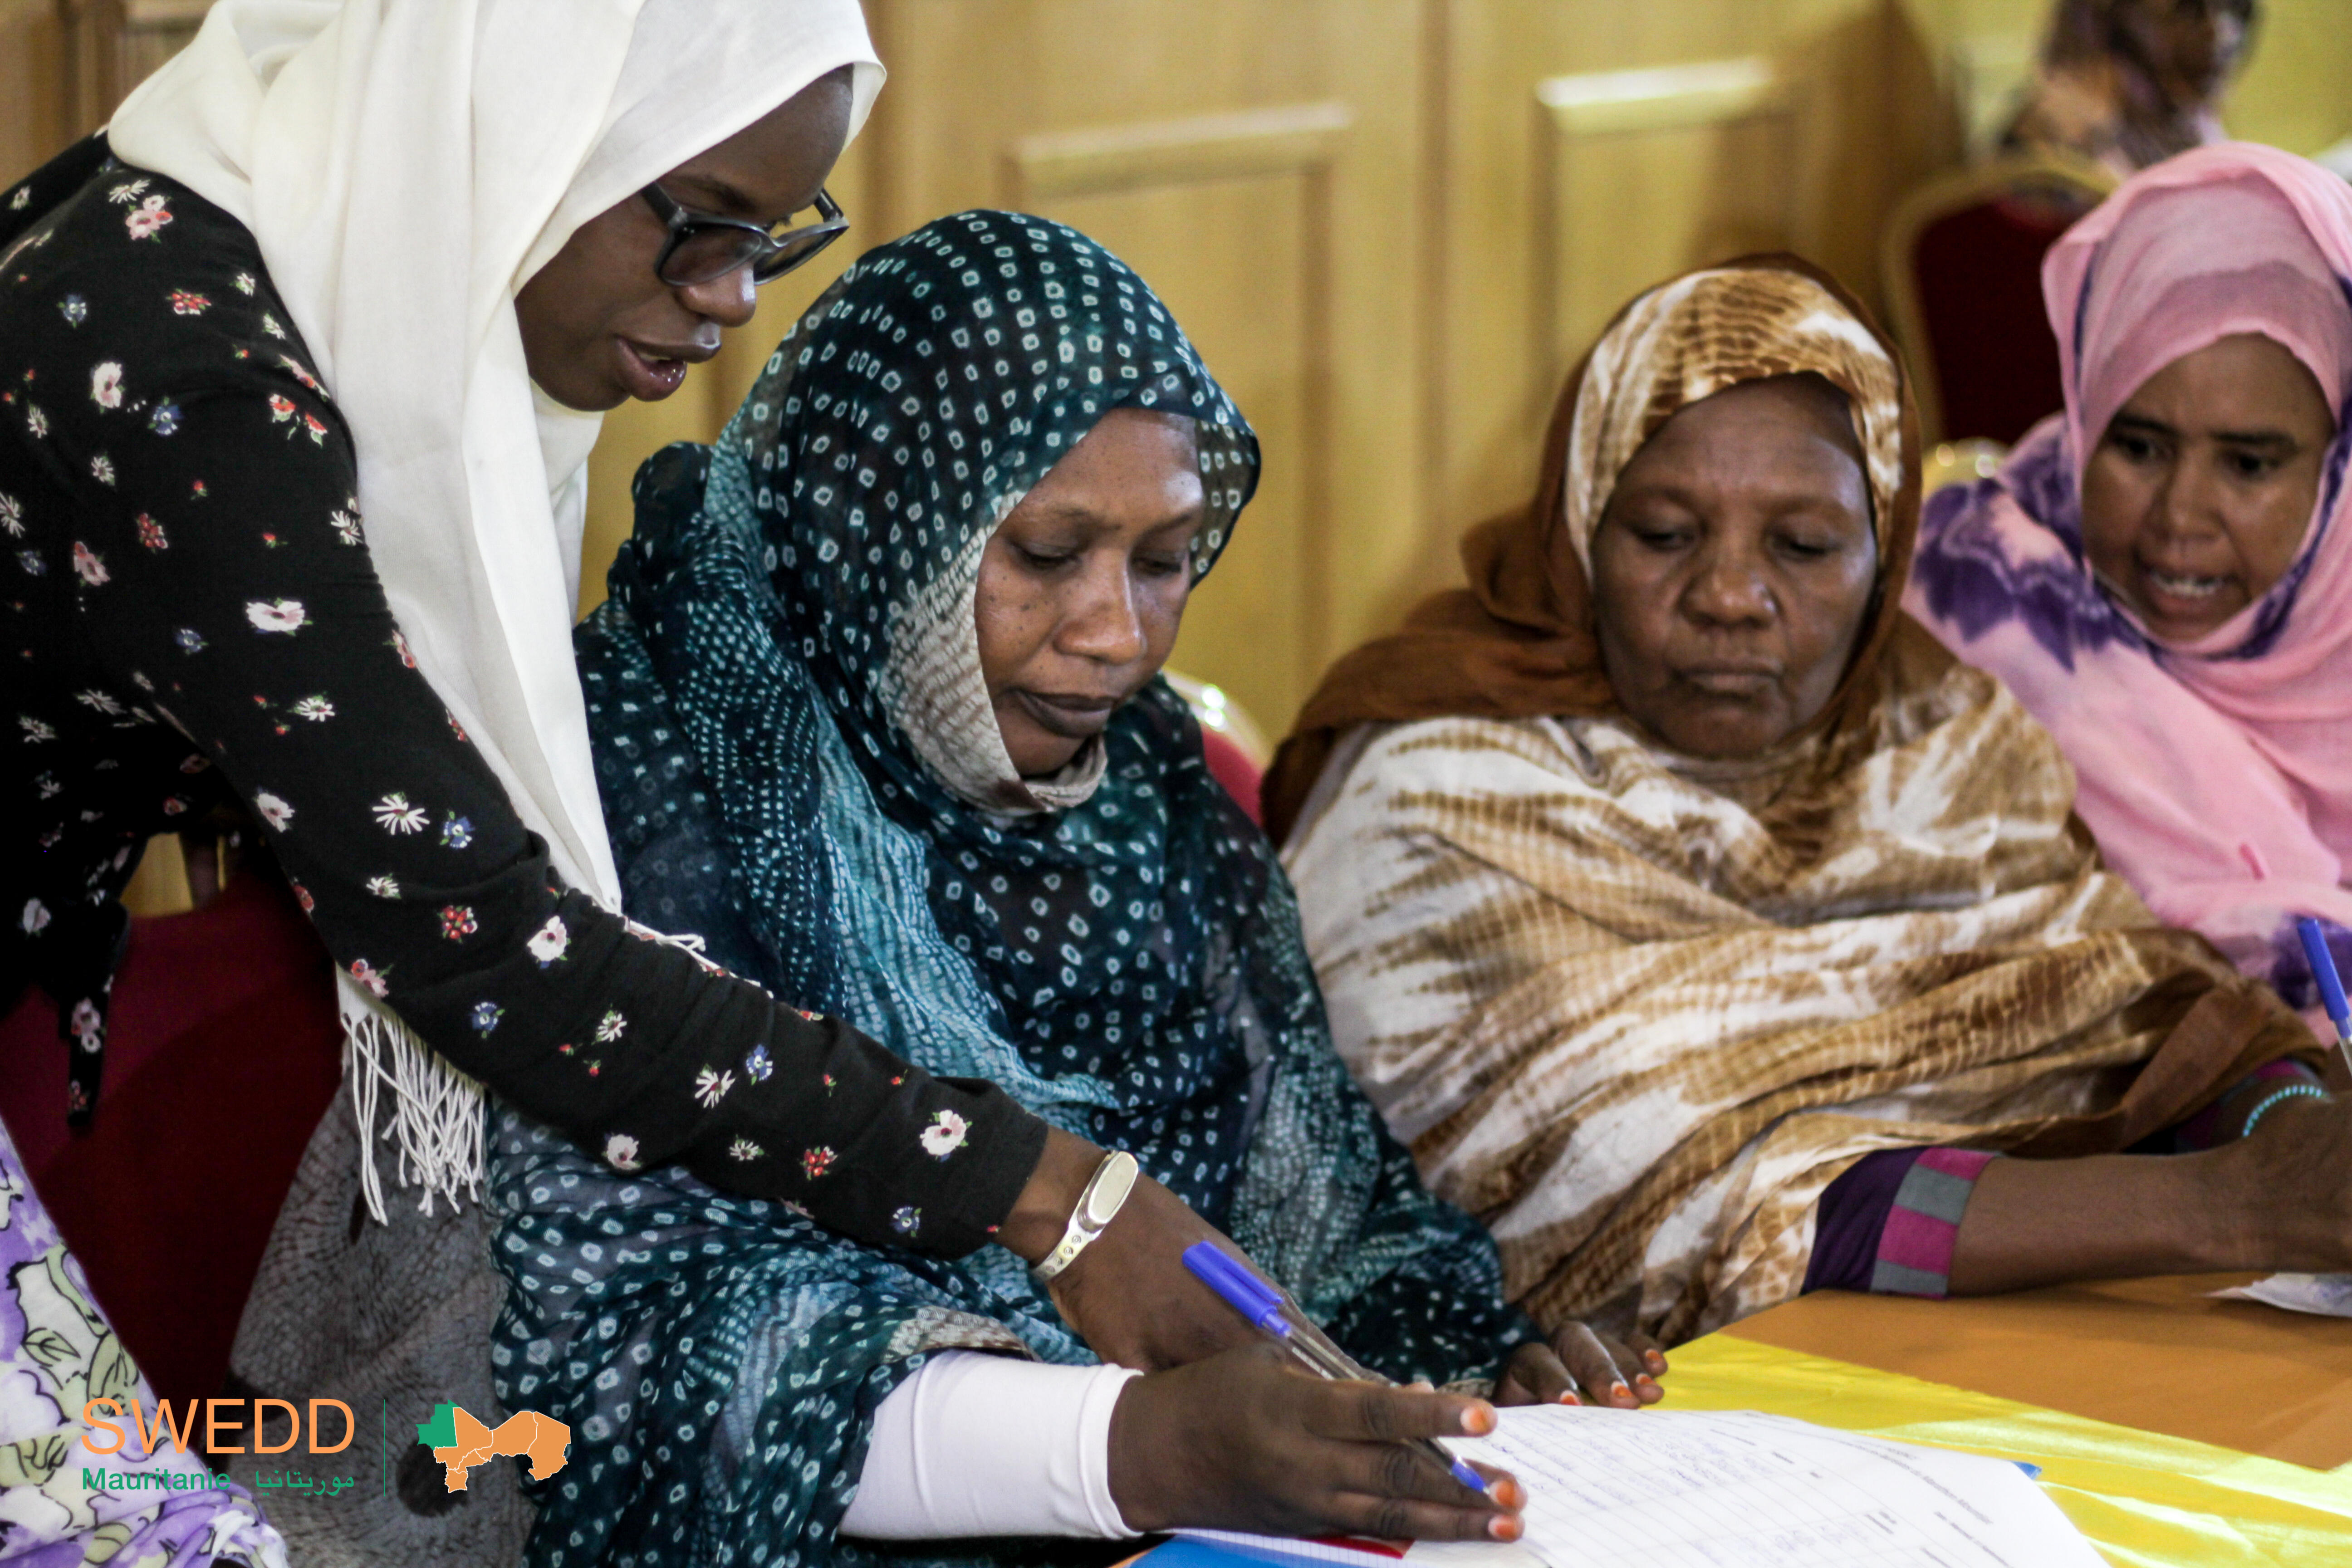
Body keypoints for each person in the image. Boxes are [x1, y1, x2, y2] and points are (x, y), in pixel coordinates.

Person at [1, 0, 1264, 1434]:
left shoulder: (308, 220)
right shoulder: (194, 377)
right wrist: (1048, 1192)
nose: (732, 298)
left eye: (770, 238)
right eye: (701, 223)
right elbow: (494, 950)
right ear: (521, 123)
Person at [500, 211, 1664, 1566]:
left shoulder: (1147, 784)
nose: (1116, 636)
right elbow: (639, 1355)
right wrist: (1145, 1445)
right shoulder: (661, 774)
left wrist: (1471, 1378)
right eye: (1047, 555)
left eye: (1164, 561)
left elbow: (1333, 1225)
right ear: (874, 524)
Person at [1265, 256, 2329, 1348]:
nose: (1728, 595)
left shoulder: (1938, 736)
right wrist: (2230, 1201)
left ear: (1882, 560)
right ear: (1579, 526)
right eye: (1664, 535)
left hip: (2023, 1353)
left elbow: (2164, 1008)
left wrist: (2292, 1131)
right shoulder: (1436, 789)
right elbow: (1702, 1201)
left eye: (1803, 545)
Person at [1906, 144, 2352, 1013]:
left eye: (2248, 464)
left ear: (2334, 466)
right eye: (2137, 447)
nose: (2179, 515)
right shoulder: (1968, 608)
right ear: (2083, 417)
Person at [1999, 0, 2253, 180]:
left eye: (2236, 6)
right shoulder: (2056, 143)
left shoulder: (2196, 128)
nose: (2223, 34)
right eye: (2188, 9)